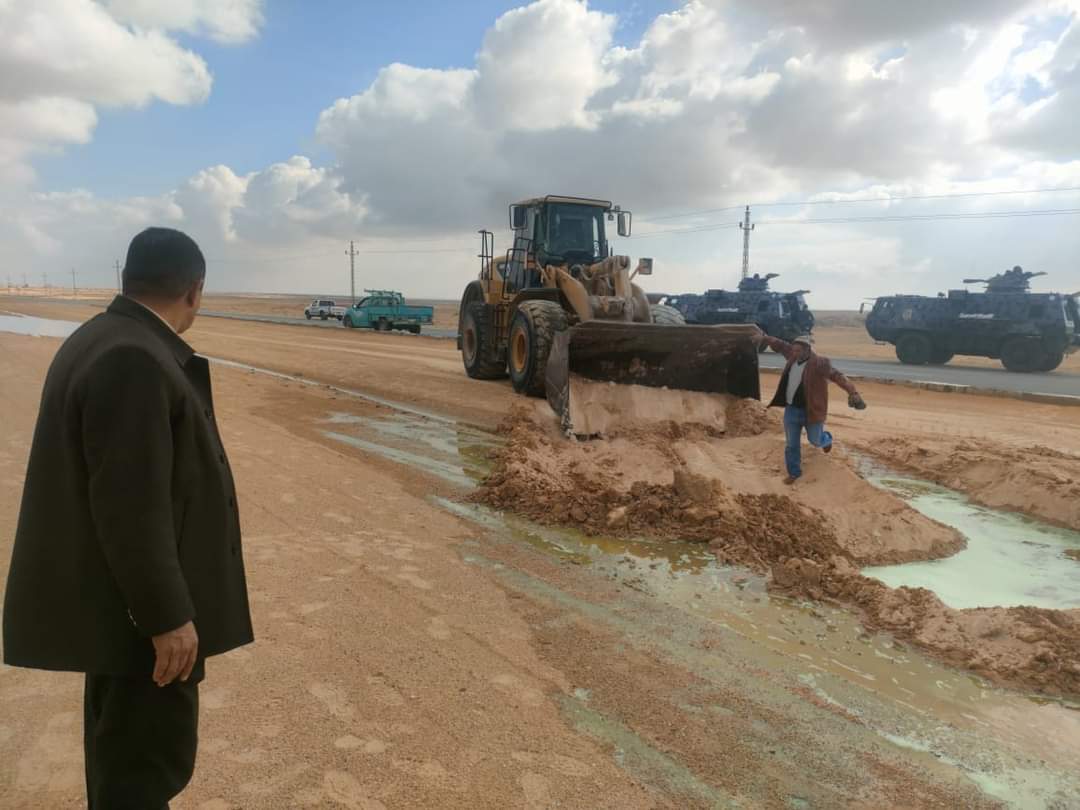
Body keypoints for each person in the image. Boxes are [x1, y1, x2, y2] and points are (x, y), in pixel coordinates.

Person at [2, 227, 254, 809]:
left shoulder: (105, 337)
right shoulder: (134, 357)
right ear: (195, 290)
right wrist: (167, 617)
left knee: (124, 761)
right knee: (142, 771)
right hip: (140, 627)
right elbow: (130, 505)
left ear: (128, 278)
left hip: (121, 613)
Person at [752, 328, 866, 484]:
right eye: (794, 350)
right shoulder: (792, 355)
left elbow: (837, 376)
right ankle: (794, 473)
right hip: (792, 410)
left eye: (798, 351)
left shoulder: (820, 363)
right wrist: (764, 338)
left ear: (807, 350)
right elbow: (779, 344)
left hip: (812, 411)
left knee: (815, 441)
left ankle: (826, 439)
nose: (794, 353)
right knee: (791, 444)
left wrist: (853, 392)